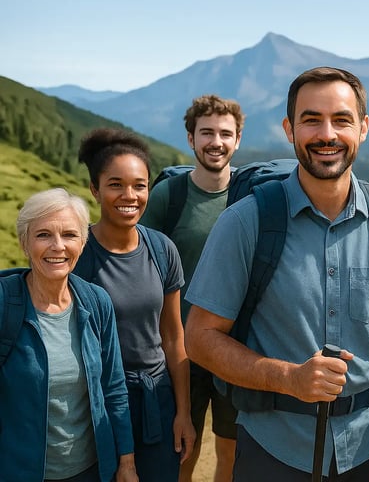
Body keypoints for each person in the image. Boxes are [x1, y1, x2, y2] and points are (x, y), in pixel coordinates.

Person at [184, 66, 369, 481]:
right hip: (272, 447)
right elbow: (200, 337)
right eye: (311, 119)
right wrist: (290, 378)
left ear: (364, 128)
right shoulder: (246, 223)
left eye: (341, 120)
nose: (327, 134)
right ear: (289, 128)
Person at [75, 128, 195, 481]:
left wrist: (183, 412)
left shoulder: (161, 249)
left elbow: (173, 338)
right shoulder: (77, 255)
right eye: (115, 184)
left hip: (157, 399)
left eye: (139, 185)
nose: (129, 195)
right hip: (98, 404)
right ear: (94, 189)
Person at [0, 188, 138, 482]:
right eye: (43, 235)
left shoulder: (96, 302)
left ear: (83, 242)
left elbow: (114, 388)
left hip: (90, 471)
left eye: (69, 235)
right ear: (25, 243)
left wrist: (126, 462)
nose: (57, 246)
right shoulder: (3, 304)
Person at [140, 94, 244, 482]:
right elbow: (142, 264)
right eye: (206, 133)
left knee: (231, 452)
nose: (215, 141)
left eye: (224, 133)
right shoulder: (169, 196)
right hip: (180, 349)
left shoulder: (251, 197)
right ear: (190, 138)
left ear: (237, 140)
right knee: (183, 449)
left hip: (235, 346)